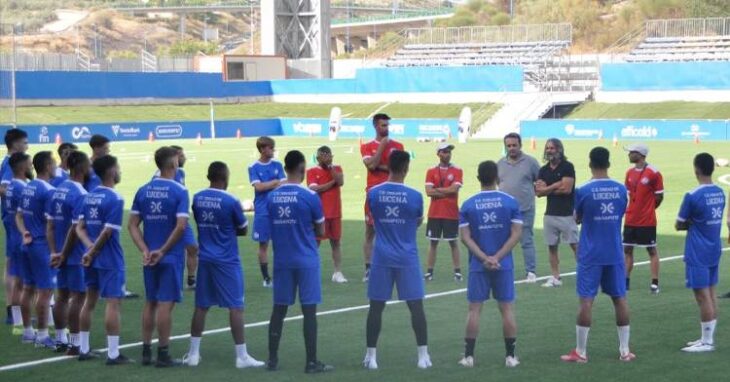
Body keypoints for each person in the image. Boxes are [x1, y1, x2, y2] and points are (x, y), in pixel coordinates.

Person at [183, 161, 265, 368]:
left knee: (201, 306)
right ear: (224, 178)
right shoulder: (230, 200)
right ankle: (241, 356)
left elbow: (200, 221)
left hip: (206, 258)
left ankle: (193, 354)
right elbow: (243, 229)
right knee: (236, 307)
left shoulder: (198, 197)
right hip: (227, 260)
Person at [561, 147, 634, 363]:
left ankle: (581, 352)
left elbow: (576, 218)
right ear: (608, 163)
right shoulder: (621, 189)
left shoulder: (583, 190)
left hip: (591, 253)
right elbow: (619, 214)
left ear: (590, 163)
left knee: (586, 301)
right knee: (620, 299)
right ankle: (625, 350)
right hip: (614, 252)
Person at [363, 150, 431, 370]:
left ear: (389, 167)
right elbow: (418, 220)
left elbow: (373, 221)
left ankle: (371, 356)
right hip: (407, 256)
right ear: (406, 168)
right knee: (416, 306)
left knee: (376, 306)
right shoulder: (415, 195)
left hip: (381, 255)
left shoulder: (373, 193)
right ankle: (423, 356)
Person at [266, 150, 333, 374]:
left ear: (285, 169)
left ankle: (272, 359)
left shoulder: (272, 197)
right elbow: (322, 229)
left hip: (282, 260)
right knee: (309, 311)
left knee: (279, 310)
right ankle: (311, 362)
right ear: (303, 170)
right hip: (306, 259)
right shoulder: (310, 196)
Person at [458, 160, 522, 368]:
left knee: (474, 310)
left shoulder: (468, 204)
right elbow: (516, 234)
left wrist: (484, 258)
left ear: (478, 178)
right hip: (503, 265)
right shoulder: (510, 202)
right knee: (506, 309)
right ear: (497, 177)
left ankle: (468, 357)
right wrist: (497, 257)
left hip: (478, 265)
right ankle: (510, 357)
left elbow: (465, 237)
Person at [128, 146, 189, 367]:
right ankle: (163, 353)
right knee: (165, 304)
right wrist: (162, 251)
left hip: (149, 257)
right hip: (169, 256)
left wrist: (145, 249)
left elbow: (132, 225)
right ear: (173, 164)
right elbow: (181, 226)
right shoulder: (179, 191)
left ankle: (146, 351)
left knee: (150, 302)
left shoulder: (143, 190)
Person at [75, 155, 131, 364]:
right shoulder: (115, 198)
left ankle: (84, 348)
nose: (120, 171)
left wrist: (88, 249)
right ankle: (113, 353)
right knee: (113, 303)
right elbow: (107, 232)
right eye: (118, 167)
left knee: (89, 301)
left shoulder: (88, 196)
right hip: (109, 259)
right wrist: (94, 250)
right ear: (110, 172)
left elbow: (79, 228)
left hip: (90, 259)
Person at [676, 153, 726, 352]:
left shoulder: (692, 195)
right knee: (711, 293)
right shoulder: (720, 192)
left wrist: (689, 223)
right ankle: (707, 337)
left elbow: (679, 223)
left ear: (696, 169)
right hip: (714, 247)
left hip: (698, 250)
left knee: (702, 296)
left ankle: (707, 342)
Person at [48, 151, 90, 354]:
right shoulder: (80, 194)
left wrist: (54, 252)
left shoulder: (58, 189)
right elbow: (75, 229)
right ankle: (75, 344)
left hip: (59, 251)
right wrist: (64, 253)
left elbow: (50, 225)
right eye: (88, 165)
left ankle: (60, 340)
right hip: (73, 254)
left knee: (62, 296)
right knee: (79, 297)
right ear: (81, 168)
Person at [16, 151, 58, 348]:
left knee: (28, 288)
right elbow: (51, 225)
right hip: (41, 246)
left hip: (26, 244)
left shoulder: (27, 187)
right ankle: (42, 336)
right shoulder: (48, 191)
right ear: (48, 166)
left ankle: (27, 332)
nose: (56, 166)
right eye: (54, 163)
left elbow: (19, 216)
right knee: (45, 291)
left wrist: (24, 232)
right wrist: (54, 251)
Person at [360, 113, 404, 282]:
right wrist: (382, 148)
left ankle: (392, 267)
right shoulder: (366, 146)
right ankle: (369, 269)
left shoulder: (398, 146)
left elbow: (399, 170)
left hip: (394, 194)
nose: (386, 128)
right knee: (370, 232)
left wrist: (379, 166)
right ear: (375, 127)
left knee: (394, 231)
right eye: (383, 125)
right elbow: (370, 165)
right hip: (373, 194)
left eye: (387, 125)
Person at [152, 145, 199, 290]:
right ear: (174, 160)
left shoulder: (181, 173)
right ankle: (164, 280)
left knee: (193, 248)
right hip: (167, 220)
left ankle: (191, 280)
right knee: (168, 250)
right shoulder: (157, 177)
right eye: (181, 155)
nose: (184, 157)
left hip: (181, 218)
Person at [497, 133, 540, 283]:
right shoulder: (500, 164)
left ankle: (531, 272)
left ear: (520, 145)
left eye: (514, 145)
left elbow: (539, 181)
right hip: (504, 210)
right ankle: (502, 268)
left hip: (525, 208)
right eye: (508, 146)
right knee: (502, 241)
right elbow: (498, 184)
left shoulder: (531, 162)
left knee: (526, 240)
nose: (512, 148)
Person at [535, 138, 578, 288]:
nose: (549, 151)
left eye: (552, 148)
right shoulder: (543, 170)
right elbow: (539, 192)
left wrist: (549, 188)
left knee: (575, 245)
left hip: (566, 214)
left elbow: (566, 189)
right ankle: (555, 277)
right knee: (551, 247)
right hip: (550, 214)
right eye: (547, 148)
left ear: (559, 149)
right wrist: (556, 185)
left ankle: (586, 272)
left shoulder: (567, 167)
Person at [623, 143, 663, 294]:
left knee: (651, 250)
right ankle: (625, 281)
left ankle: (654, 282)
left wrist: (648, 209)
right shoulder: (629, 173)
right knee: (627, 249)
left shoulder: (654, 173)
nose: (629, 155)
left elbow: (659, 196)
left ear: (640, 154)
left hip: (647, 221)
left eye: (631, 152)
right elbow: (628, 194)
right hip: (630, 219)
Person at [248, 136, 286, 287]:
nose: (273, 150)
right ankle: (266, 278)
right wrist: (276, 182)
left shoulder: (278, 164)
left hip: (279, 209)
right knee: (263, 245)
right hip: (262, 211)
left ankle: (281, 274)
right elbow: (259, 187)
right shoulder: (253, 167)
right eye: (271, 148)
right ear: (263, 149)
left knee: (280, 243)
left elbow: (284, 184)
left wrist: (270, 184)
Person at [306, 146, 347, 283]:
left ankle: (337, 272)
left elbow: (340, 181)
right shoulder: (311, 171)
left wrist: (330, 167)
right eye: (323, 156)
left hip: (335, 212)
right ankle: (310, 271)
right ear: (317, 158)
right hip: (319, 214)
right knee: (314, 243)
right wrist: (332, 182)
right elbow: (315, 189)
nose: (326, 158)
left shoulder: (337, 169)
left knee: (336, 243)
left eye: (328, 155)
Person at [424, 143, 463, 282]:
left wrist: (438, 190)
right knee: (433, 243)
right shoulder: (430, 171)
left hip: (451, 213)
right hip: (434, 213)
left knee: (453, 242)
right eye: (445, 152)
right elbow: (428, 192)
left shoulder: (458, 170)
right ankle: (429, 272)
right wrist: (446, 190)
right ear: (438, 154)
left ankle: (457, 272)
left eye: (449, 152)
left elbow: (454, 190)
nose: (448, 154)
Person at [1, 129, 29, 325]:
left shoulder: (7, 162)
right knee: (14, 266)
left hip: (10, 218)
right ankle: (13, 310)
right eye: (24, 142)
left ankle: (14, 309)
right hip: (13, 220)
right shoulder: (11, 164)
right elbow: (2, 188)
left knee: (12, 264)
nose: (27, 145)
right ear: (15, 144)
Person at [5, 153, 32, 335]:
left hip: (13, 237)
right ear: (23, 167)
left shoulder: (10, 186)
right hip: (23, 236)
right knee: (26, 283)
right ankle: (24, 322)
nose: (32, 167)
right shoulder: (23, 188)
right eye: (30, 164)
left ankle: (17, 322)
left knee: (16, 279)